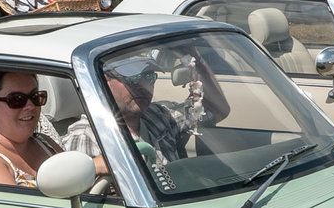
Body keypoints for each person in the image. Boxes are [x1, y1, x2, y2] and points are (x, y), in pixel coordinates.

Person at [60, 51, 230, 191]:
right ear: (104, 82)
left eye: (149, 77)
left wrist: (195, 58)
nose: (143, 86)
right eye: (133, 79)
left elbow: (217, 109)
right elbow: (76, 202)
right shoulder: (85, 136)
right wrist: (95, 166)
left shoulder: (158, 115)